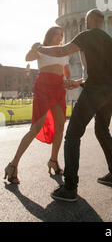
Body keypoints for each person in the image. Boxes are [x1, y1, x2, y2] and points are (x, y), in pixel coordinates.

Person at [33, 9, 112, 202]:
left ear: (90, 20)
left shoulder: (86, 35)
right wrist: (80, 82)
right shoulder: (109, 40)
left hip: (95, 90)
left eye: (85, 21)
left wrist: (40, 48)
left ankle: (70, 186)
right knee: (102, 130)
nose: (84, 23)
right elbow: (101, 70)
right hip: (111, 90)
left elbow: (62, 50)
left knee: (73, 134)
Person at [4, 26, 70, 184]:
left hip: (59, 87)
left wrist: (69, 80)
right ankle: (13, 165)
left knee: (61, 126)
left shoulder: (64, 51)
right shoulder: (42, 48)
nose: (59, 37)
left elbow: (67, 70)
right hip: (44, 87)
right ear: (49, 36)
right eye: (56, 35)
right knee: (35, 127)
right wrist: (34, 47)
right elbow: (28, 58)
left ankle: (53, 161)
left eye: (61, 35)